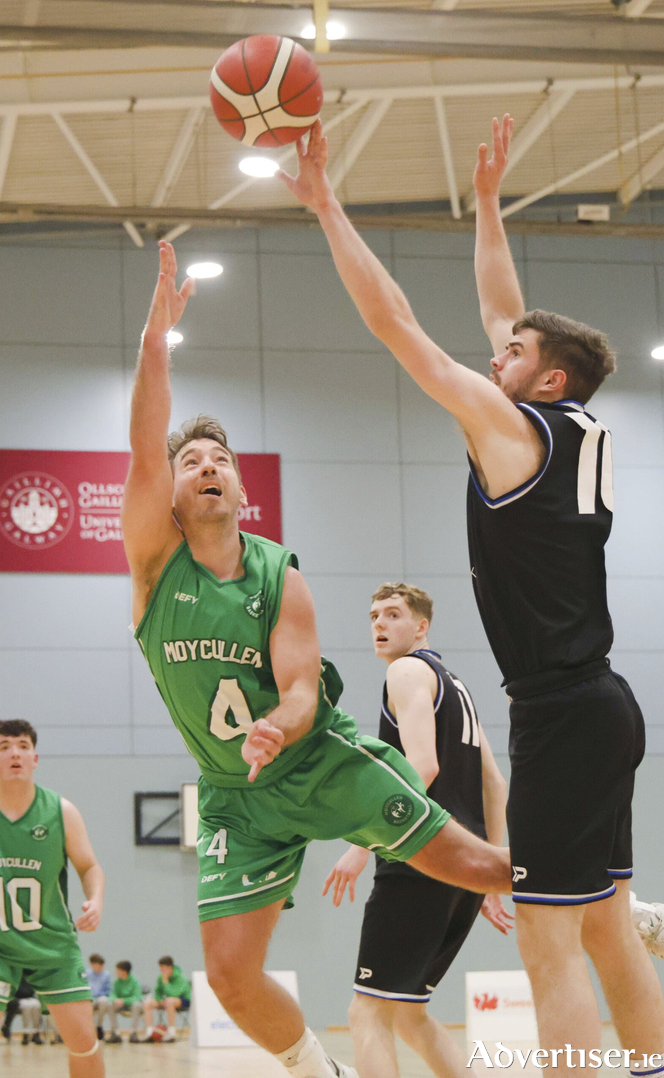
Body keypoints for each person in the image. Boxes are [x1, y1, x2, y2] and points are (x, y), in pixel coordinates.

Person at [280, 117, 664, 1075]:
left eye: (515, 352)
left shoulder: (511, 430)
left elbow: (396, 324)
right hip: (602, 705)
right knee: (611, 925)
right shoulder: (567, 426)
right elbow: (506, 310)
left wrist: (328, 204)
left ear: (549, 376)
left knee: (549, 945)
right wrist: (487, 204)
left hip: (562, 711)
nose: (497, 352)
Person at [122, 241, 511, 1078]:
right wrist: (155, 340)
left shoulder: (278, 573)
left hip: (314, 758)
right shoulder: (156, 565)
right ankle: (317, 1070)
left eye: (221, 458)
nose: (208, 466)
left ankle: (623, 908)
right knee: (228, 973)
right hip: (234, 798)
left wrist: (276, 727)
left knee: (479, 867)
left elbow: (301, 689)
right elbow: (145, 430)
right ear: (173, 499)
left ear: (239, 487)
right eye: (190, 462)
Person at [323, 583, 512, 1078]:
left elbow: (421, 768)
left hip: (421, 858)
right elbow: (495, 782)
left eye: (392, 614)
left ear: (421, 626)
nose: (379, 625)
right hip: (463, 870)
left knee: (365, 1012)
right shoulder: (456, 684)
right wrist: (489, 868)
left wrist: (360, 843)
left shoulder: (407, 671)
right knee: (408, 1013)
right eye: (373, 616)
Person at [0, 719, 106, 1078]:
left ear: (35, 758)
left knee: (83, 1040)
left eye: (23, 746)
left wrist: (96, 899)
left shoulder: (61, 811)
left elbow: (90, 867)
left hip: (53, 945)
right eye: (5, 746)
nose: (15, 752)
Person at [141, 956, 190, 1043]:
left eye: (164, 967)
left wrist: (166, 981)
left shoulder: (180, 977)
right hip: (167, 1000)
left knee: (169, 1001)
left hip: (183, 1000)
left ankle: (172, 1033)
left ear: (170, 967)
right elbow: (158, 991)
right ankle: (150, 1032)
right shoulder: (160, 978)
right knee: (147, 1003)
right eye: (160, 967)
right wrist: (159, 999)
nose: (161, 970)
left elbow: (175, 994)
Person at [107, 960, 143, 1043]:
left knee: (137, 1005)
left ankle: (133, 1033)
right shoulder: (117, 982)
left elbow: (137, 997)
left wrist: (124, 1000)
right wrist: (115, 1000)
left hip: (131, 1005)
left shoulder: (135, 981)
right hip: (120, 1005)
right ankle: (115, 1033)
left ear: (124, 972)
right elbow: (112, 994)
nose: (116, 972)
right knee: (109, 1004)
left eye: (118, 970)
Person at [0, 976, 42, 1045]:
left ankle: (36, 1032)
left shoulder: (29, 977)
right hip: (18, 999)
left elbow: (31, 991)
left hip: (29, 998)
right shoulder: (15, 977)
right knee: (26, 1007)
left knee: (36, 1005)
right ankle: (26, 1033)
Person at [85, 953, 111, 1041]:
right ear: (92, 965)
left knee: (104, 1000)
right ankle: (87, 1030)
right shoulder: (86, 974)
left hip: (100, 999)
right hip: (89, 999)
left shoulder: (106, 975)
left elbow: (108, 991)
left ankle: (99, 1026)